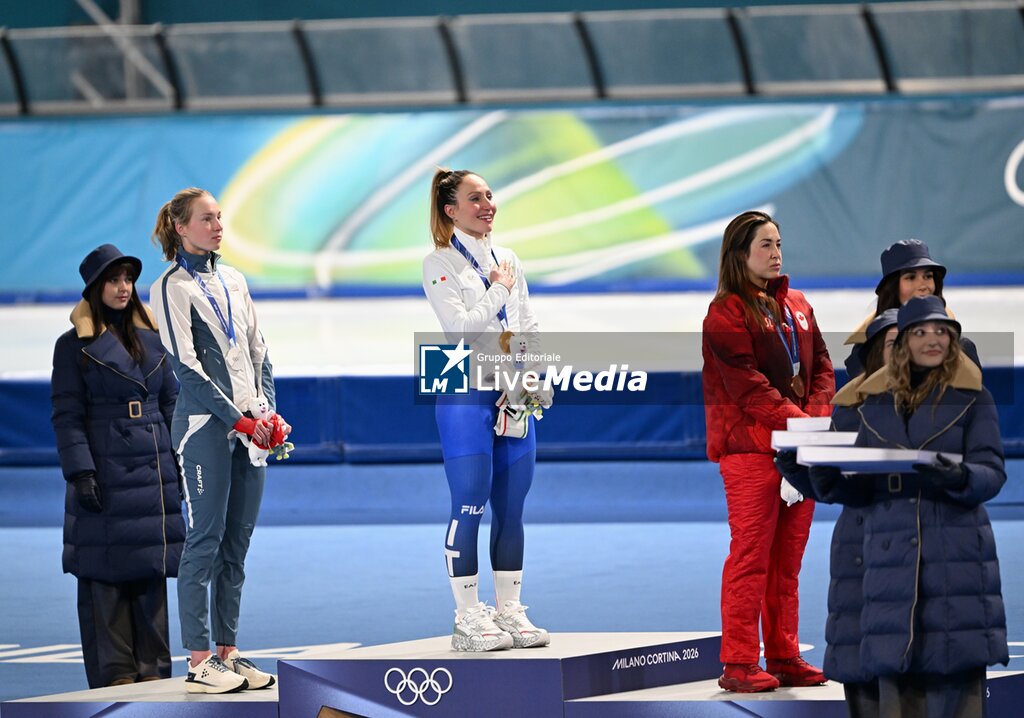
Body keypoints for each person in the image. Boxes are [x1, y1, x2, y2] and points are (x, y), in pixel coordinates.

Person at [809, 295, 1008, 717]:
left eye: (941, 331)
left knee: (955, 680)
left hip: (955, 553)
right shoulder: (870, 405)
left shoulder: (974, 399)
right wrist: (814, 474)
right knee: (896, 678)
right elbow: (857, 487)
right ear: (901, 345)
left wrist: (960, 478)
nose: (932, 339)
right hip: (889, 556)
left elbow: (992, 471)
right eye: (920, 332)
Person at [150, 187, 291, 693]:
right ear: (181, 227)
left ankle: (229, 652)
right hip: (205, 430)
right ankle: (198, 657)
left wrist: (268, 413)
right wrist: (239, 420)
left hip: (249, 428)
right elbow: (185, 368)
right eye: (206, 219)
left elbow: (260, 352)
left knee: (237, 545)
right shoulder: (170, 287)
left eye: (219, 218)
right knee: (204, 541)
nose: (217, 226)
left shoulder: (233, 278)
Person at [701, 210, 834, 692]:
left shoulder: (798, 303)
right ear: (740, 254)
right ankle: (738, 663)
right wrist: (806, 427)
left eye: (779, 243)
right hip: (751, 452)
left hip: (799, 449)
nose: (777, 253)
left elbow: (822, 366)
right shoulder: (725, 314)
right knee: (751, 556)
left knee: (788, 563)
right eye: (765, 245)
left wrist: (814, 423)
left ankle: (782, 655)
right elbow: (749, 390)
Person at [423, 168, 550, 652]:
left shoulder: (509, 257)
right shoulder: (437, 262)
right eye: (475, 198)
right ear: (451, 210)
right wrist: (496, 288)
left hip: (511, 389)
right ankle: (467, 617)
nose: (487, 204)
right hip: (461, 383)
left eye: (490, 195)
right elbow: (458, 329)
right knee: (470, 502)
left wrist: (532, 371)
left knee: (512, 507)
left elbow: (527, 322)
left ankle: (508, 610)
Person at [50, 244, 185, 688]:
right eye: (113, 280)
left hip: (152, 473)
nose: (124, 287)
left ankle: (156, 685)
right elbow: (66, 415)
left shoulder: (153, 340)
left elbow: (170, 405)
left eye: (128, 279)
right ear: (94, 288)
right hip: (105, 475)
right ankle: (115, 690)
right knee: (105, 587)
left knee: (150, 583)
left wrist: (180, 464)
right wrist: (81, 472)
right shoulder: (73, 348)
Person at [775, 308, 899, 705]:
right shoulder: (850, 408)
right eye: (891, 345)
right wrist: (794, 464)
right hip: (858, 548)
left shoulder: (941, 404)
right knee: (860, 666)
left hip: (910, 542)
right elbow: (833, 487)